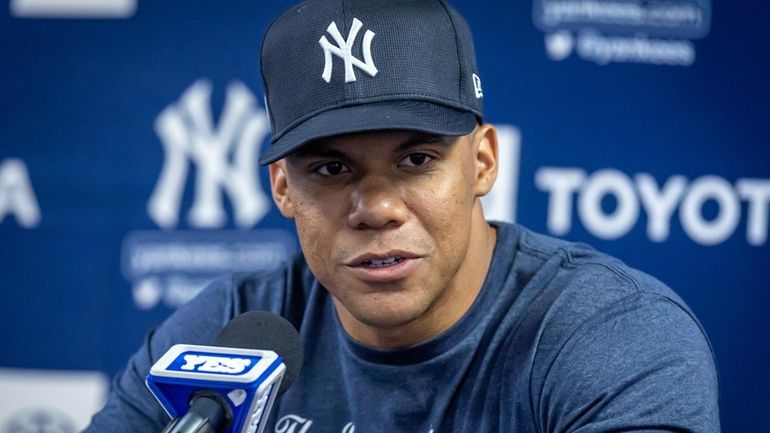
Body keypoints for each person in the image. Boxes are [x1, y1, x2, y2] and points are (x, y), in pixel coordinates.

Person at [84, 0, 720, 432]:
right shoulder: (225, 335)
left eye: (416, 159)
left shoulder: (610, 335)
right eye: (331, 170)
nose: (377, 209)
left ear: (483, 163)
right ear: (281, 188)